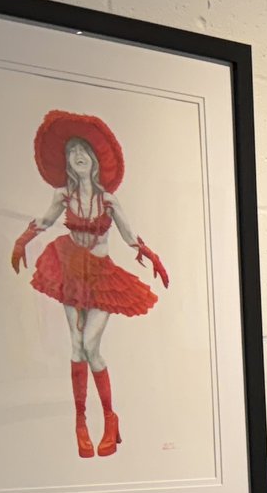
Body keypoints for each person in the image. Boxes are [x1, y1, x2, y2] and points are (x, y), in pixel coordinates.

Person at [9, 110, 169, 460]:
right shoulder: (62, 195)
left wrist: (150, 255)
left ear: (95, 160)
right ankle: (81, 422)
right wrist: (22, 240)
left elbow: (128, 233)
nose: (78, 156)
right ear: (67, 161)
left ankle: (110, 418)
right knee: (77, 347)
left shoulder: (108, 200)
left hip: (100, 277)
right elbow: (45, 221)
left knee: (89, 345)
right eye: (72, 152)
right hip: (70, 271)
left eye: (84, 150)